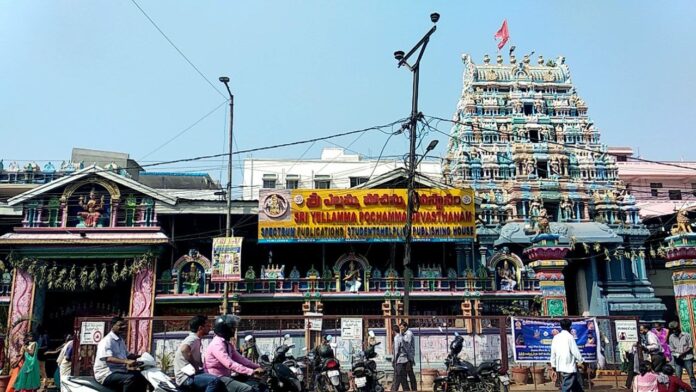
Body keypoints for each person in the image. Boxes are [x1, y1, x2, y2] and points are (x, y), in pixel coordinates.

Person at [204, 314, 264, 392]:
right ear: (224, 329)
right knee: (247, 389)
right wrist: (251, 372)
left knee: (254, 382)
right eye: (232, 328)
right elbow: (230, 364)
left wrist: (257, 366)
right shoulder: (217, 344)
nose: (234, 330)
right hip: (217, 377)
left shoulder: (227, 343)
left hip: (225, 376)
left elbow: (240, 359)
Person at [93, 316, 147, 392]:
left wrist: (142, 356)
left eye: (124, 325)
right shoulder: (107, 341)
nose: (123, 327)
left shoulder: (120, 340)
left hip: (120, 371)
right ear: (113, 326)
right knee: (130, 378)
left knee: (142, 376)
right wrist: (126, 361)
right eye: (120, 325)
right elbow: (108, 358)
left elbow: (127, 355)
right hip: (106, 374)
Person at [174, 316, 224, 392]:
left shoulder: (196, 339)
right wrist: (195, 366)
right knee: (214, 381)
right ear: (200, 328)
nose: (210, 328)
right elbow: (184, 349)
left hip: (190, 375)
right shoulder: (193, 338)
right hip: (186, 377)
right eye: (207, 326)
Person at [550, 319, 585, 392]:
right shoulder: (569, 337)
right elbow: (575, 351)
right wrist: (581, 361)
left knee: (576, 384)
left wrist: (553, 365)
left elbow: (553, 352)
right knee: (566, 386)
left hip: (561, 365)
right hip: (569, 366)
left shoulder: (556, 337)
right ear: (570, 327)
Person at [668, 321, 696, 391]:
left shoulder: (686, 335)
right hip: (677, 359)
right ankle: (680, 389)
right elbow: (671, 348)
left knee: (691, 374)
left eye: (675, 329)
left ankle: (694, 388)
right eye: (673, 330)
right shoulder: (671, 337)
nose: (674, 331)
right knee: (678, 376)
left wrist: (682, 353)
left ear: (679, 328)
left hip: (687, 357)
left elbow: (690, 346)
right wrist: (676, 354)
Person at [391, 321, 416, 392]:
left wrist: (394, 360)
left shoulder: (408, 334)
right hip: (405, 358)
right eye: (400, 328)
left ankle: (412, 389)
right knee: (404, 375)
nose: (401, 329)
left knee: (401, 375)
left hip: (405, 358)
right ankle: (407, 389)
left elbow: (397, 350)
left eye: (402, 327)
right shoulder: (402, 335)